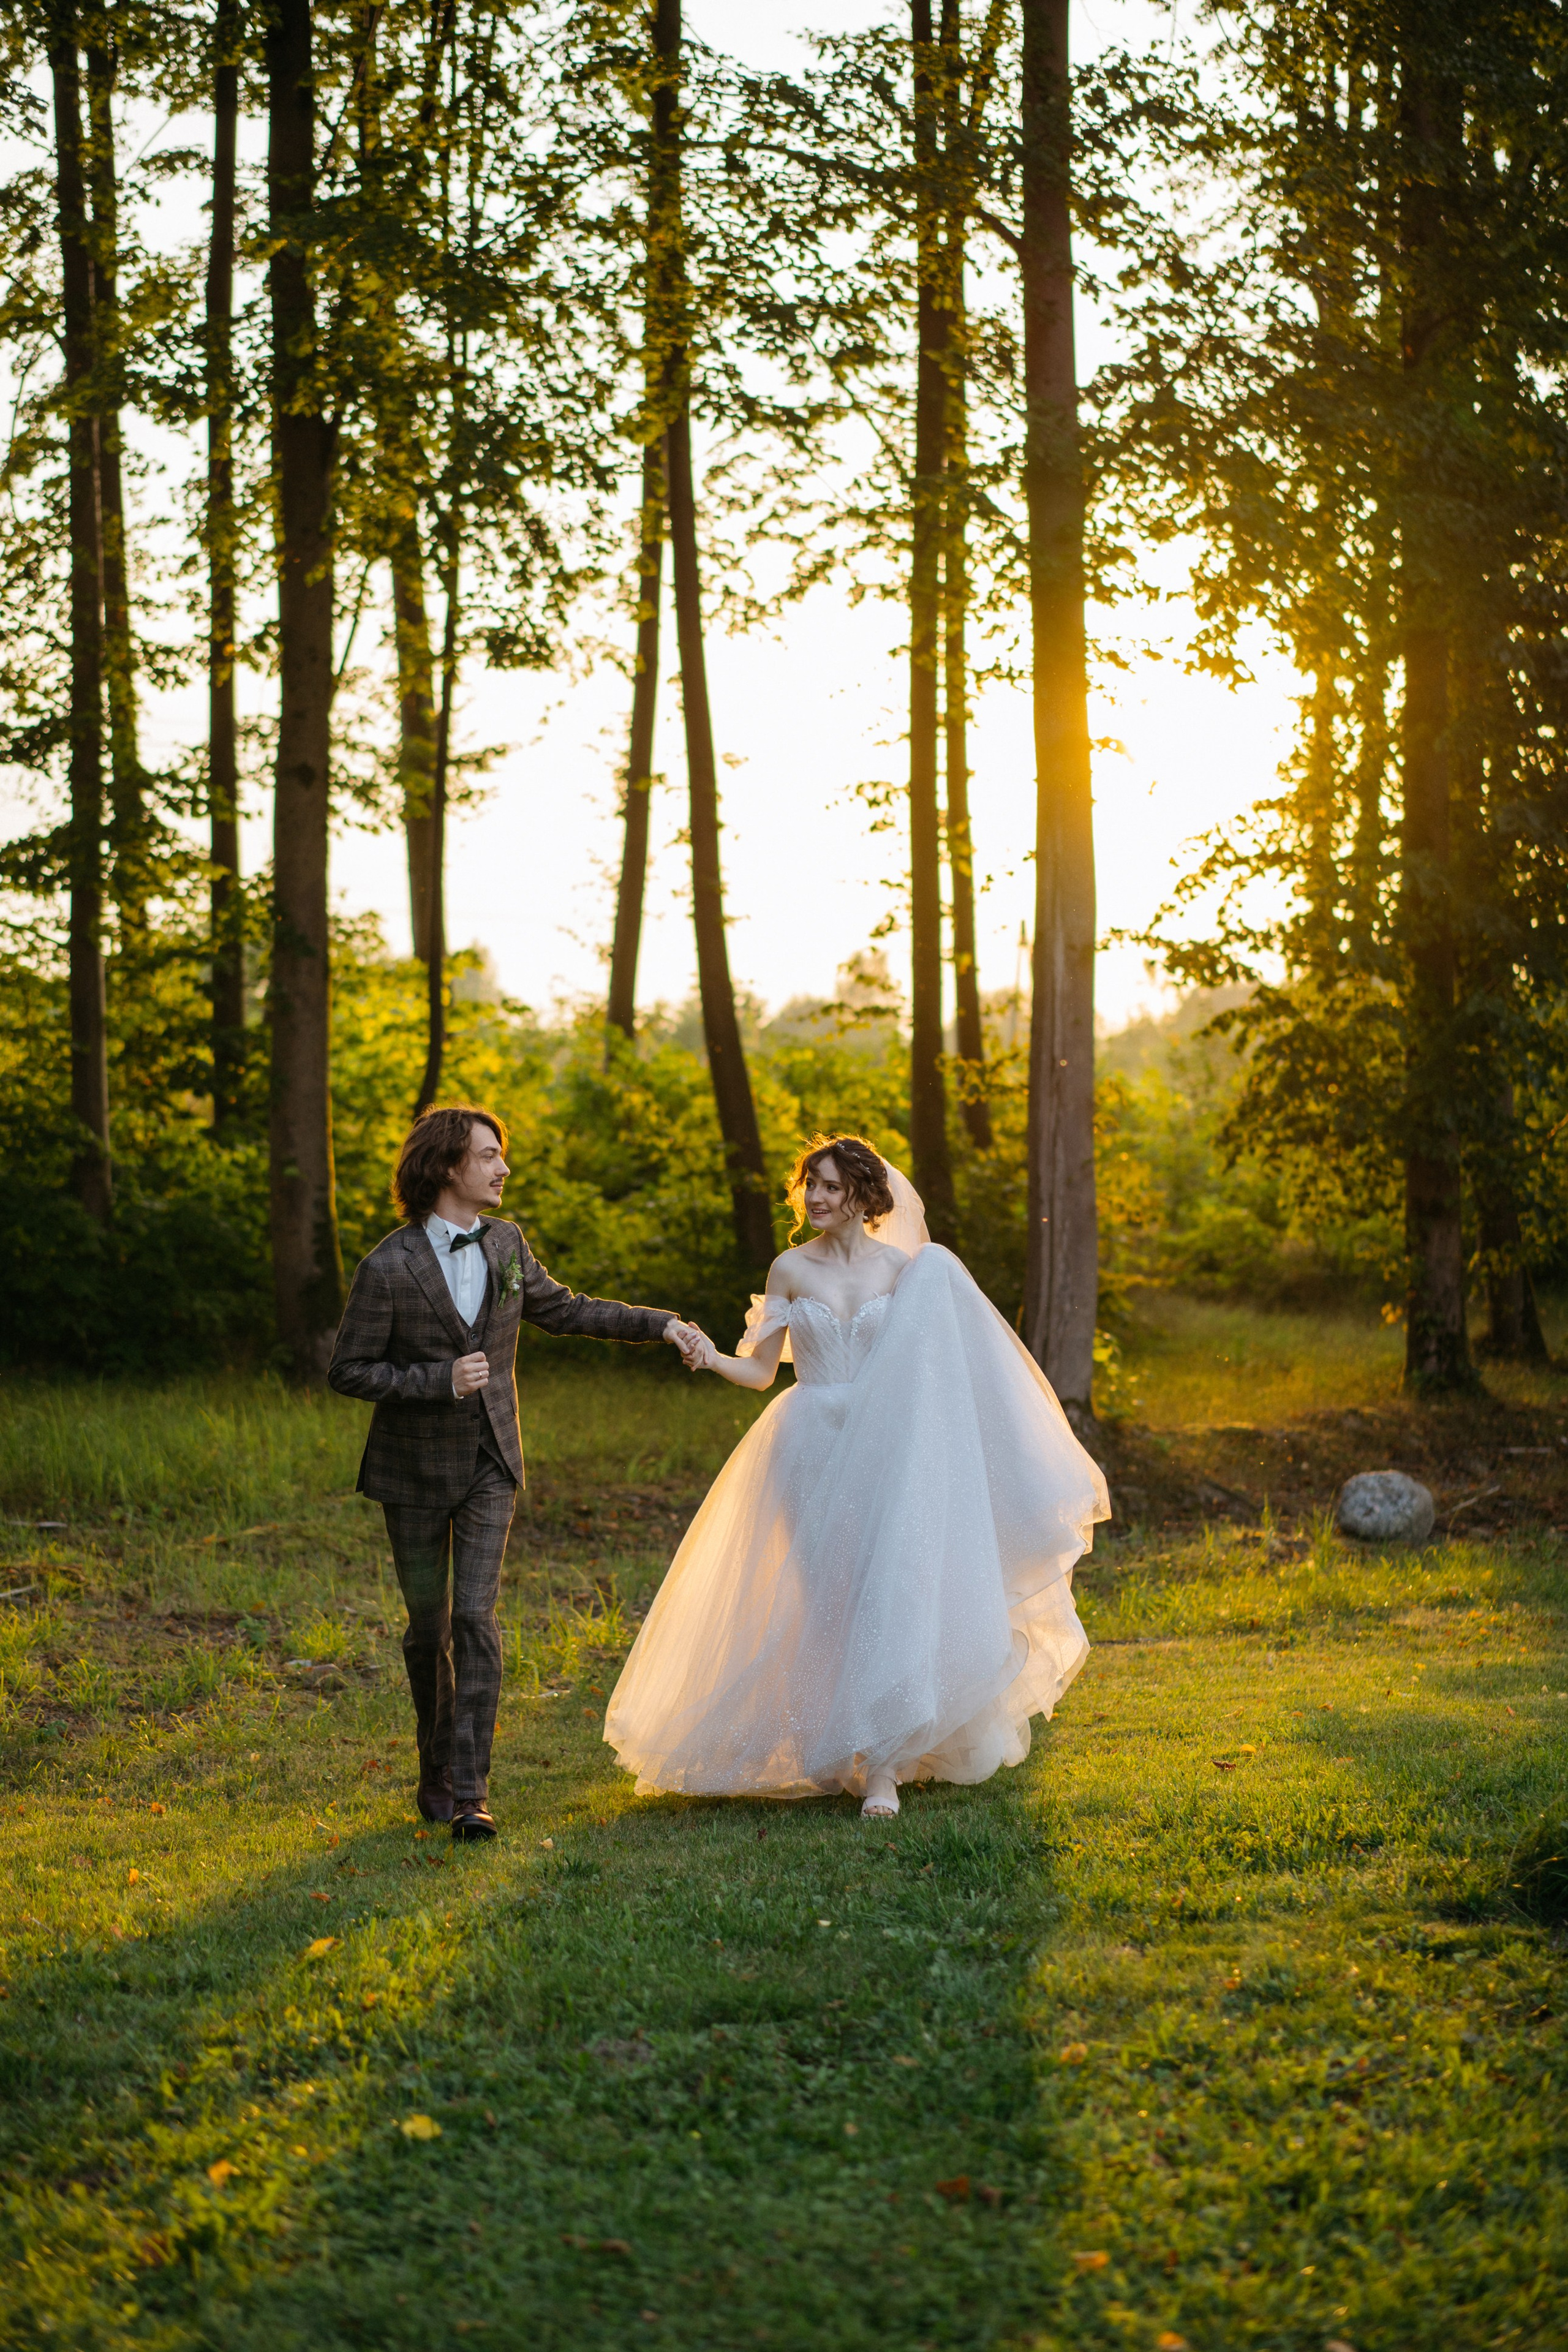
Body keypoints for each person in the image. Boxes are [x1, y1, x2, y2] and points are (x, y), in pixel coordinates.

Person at [605, 1135, 1110, 1819]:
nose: (815, 1196)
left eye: (831, 1186)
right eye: (809, 1183)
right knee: (829, 1600)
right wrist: (709, 1356)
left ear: (865, 1197)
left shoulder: (909, 1272)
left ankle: (882, 1769)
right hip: (807, 1445)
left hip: (889, 1446)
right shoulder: (788, 1268)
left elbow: (939, 1372)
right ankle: (836, 1745)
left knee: (889, 1592)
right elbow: (759, 1372)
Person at [329, 1103, 703, 1841]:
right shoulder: (388, 1265)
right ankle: (433, 1769)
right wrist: (439, 1379)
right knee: (425, 1628)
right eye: (489, 1155)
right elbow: (348, 1370)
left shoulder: (506, 1244)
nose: (503, 1168)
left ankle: (470, 1791)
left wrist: (660, 1323)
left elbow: (567, 1310)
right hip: (409, 1473)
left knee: (474, 1617)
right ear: (446, 1167)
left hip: (490, 1462)